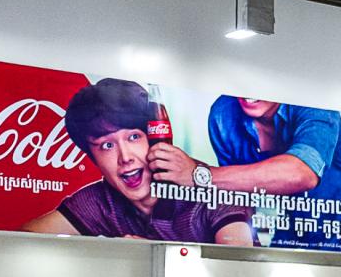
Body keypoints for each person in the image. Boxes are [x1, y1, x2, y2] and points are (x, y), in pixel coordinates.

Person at [22, 79, 254, 245]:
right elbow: (19, 241)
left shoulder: (209, 188)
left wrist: (153, 257)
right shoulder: (99, 200)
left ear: (155, 137)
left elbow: (238, 266)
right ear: (93, 158)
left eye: (134, 137)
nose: (125, 158)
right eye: (107, 145)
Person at [146, 95, 341, 252]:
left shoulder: (316, 106)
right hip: (293, 232)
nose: (248, 93)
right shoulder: (223, 114)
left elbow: (303, 172)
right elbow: (236, 194)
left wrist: (199, 175)